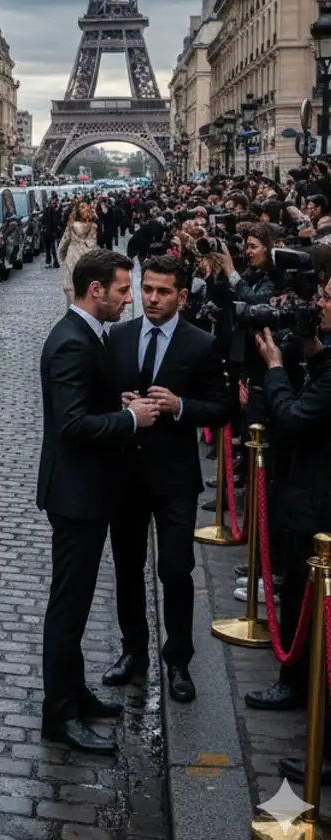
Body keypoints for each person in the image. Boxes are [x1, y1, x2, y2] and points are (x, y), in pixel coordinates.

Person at [37, 248, 161, 753]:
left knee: (81, 603)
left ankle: (75, 691)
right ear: (95, 291)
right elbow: (71, 425)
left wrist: (119, 403)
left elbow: (89, 404)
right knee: (68, 608)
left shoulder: (88, 334)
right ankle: (58, 715)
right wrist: (131, 420)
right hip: (76, 494)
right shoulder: (70, 342)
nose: (129, 301)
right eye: (123, 291)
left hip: (89, 490)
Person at [105, 256, 226, 705]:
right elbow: (100, 398)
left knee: (175, 568)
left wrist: (179, 407)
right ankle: (133, 651)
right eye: (147, 289)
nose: (152, 298)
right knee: (127, 568)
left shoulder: (200, 344)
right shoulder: (119, 335)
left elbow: (221, 407)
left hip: (174, 477)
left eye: (162, 292)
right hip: (127, 475)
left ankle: (178, 659)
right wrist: (118, 405)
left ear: (182, 296)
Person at [244, 294, 331, 787]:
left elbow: (297, 416)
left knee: (315, 616)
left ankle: (325, 747)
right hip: (310, 504)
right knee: (298, 603)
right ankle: (295, 685)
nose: (320, 303)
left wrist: (276, 368)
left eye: (327, 298)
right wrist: (313, 346)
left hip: (319, 510)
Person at [57, 202, 98, 308]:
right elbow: (93, 243)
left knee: (71, 287)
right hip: (88, 258)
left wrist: (62, 256)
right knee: (86, 286)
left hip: (73, 256)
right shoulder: (93, 227)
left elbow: (64, 242)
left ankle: (73, 312)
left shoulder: (71, 226)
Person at [40, 194, 62, 269]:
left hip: (46, 232)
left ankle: (48, 262)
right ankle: (55, 262)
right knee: (52, 248)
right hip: (51, 232)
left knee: (48, 248)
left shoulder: (45, 211)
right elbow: (56, 221)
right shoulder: (54, 211)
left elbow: (42, 220)